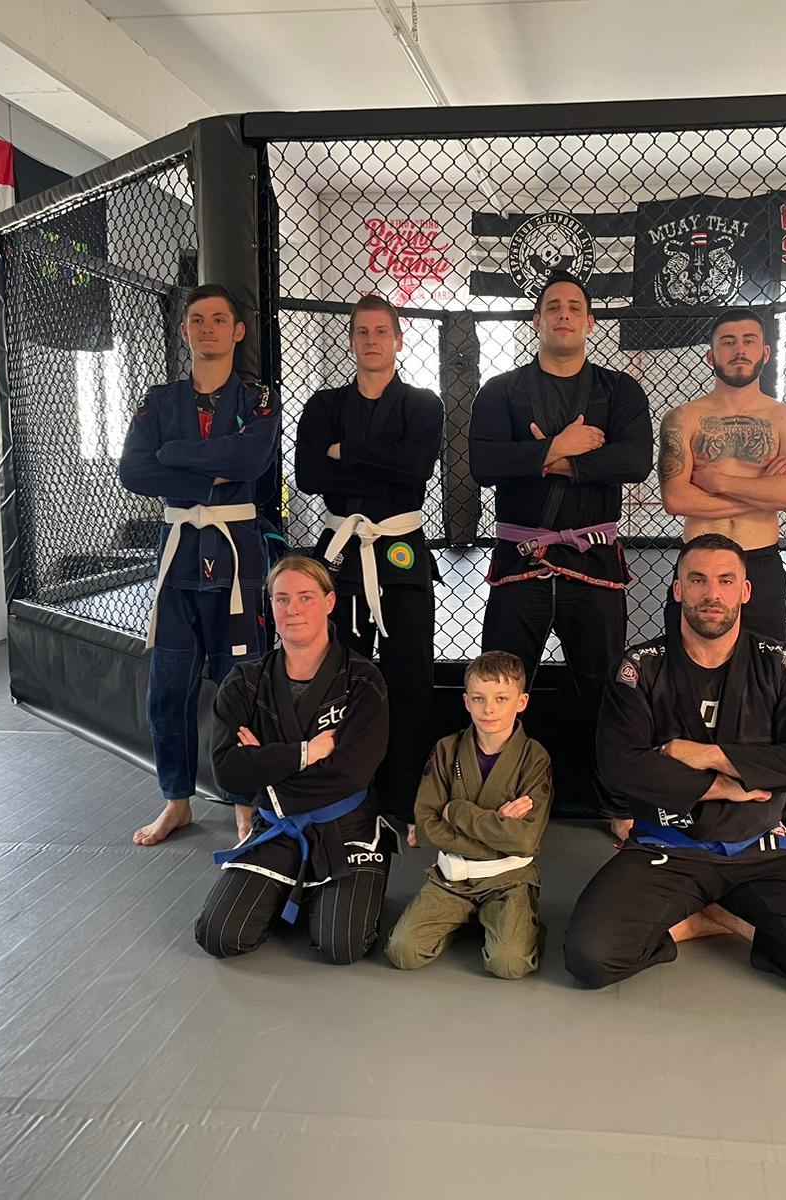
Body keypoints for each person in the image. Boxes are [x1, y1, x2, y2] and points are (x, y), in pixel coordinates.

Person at [563, 534, 786, 998]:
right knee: (590, 957)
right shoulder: (640, 668)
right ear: (678, 590)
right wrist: (721, 787)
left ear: (745, 591)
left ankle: (720, 917)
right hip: (667, 847)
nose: (712, 593)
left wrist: (707, 754)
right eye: (698, 580)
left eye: (726, 581)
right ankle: (698, 920)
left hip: (760, 849)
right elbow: (619, 766)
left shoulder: (784, 668)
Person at [469, 270, 652, 837]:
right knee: (499, 687)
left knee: (604, 686)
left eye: (575, 306)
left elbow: (634, 462)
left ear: (590, 322)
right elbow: (483, 463)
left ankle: (616, 802)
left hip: (592, 560)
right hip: (519, 558)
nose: (564, 314)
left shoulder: (619, 391)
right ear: (537, 320)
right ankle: (493, 798)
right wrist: (562, 444)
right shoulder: (501, 390)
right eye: (553, 306)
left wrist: (549, 457)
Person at [118, 283, 281, 848]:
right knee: (168, 687)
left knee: (242, 688)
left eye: (218, 318)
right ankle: (177, 800)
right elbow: (134, 470)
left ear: (238, 331)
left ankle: (245, 803)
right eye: (196, 319)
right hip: (179, 555)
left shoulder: (258, 398)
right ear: (184, 330)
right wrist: (211, 474)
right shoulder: (160, 401)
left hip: (236, 555)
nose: (207, 328)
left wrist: (175, 454)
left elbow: (251, 458)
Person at [193, 556, 393, 963]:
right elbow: (228, 772)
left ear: (329, 602)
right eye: (281, 599)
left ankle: (320, 893)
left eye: (305, 597)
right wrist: (308, 752)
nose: (292, 609)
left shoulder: (362, 679)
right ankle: (296, 890)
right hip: (278, 826)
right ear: (270, 605)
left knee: (340, 945)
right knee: (219, 935)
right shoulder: (245, 682)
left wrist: (264, 765)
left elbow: (352, 772)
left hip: (347, 827)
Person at [295, 294, 443, 842]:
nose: (372, 340)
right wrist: (381, 459)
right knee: (339, 676)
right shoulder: (324, 405)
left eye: (382, 331)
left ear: (399, 340)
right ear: (352, 340)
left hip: (400, 550)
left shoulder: (423, 405)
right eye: (363, 332)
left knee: (410, 677)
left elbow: (417, 467)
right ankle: (346, 794)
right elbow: (309, 474)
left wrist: (346, 453)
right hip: (338, 553)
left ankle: (405, 801)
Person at [383, 650, 553, 980]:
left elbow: (525, 840)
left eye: (501, 698)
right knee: (403, 951)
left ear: (521, 702)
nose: (489, 709)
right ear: (466, 702)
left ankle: (521, 924)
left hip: (508, 878)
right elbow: (427, 827)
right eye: (479, 698)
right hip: (453, 876)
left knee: (509, 964)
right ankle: (466, 919)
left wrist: (457, 811)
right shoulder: (446, 749)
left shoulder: (534, 758)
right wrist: (498, 829)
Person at [657, 307, 786, 643]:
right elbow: (675, 499)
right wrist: (763, 490)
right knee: (686, 664)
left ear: (765, 353)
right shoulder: (682, 418)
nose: (739, 349)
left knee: (766, 665)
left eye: (749, 341)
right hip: (699, 559)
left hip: (760, 560)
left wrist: (720, 483)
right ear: (710, 356)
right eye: (728, 342)